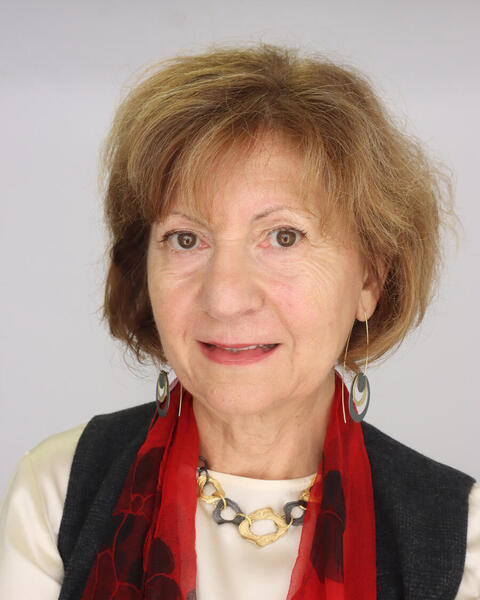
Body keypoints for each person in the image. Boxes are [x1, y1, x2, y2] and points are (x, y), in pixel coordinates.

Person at [0, 44, 478, 600]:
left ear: (369, 280)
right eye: (186, 239)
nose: (225, 298)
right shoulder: (58, 492)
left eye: (284, 237)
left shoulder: (460, 542)